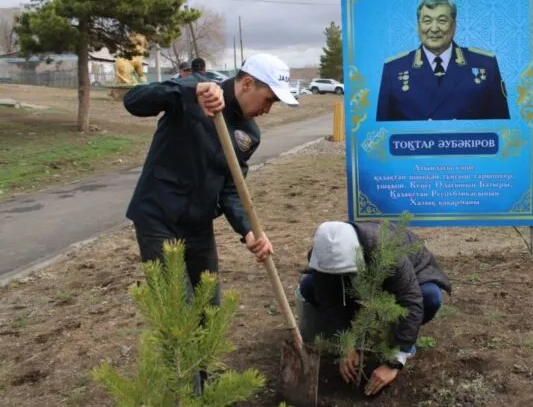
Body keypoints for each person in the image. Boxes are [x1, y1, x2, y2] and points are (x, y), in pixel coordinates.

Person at [123, 53, 298, 310]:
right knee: (178, 309)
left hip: (198, 225)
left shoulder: (249, 134)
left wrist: (248, 230)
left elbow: (231, 189)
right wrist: (191, 92)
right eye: (269, 99)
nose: (267, 110)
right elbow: (133, 100)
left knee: (210, 308)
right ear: (247, 84)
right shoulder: (196, 90)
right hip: (157, 217)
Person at [297, 220, 452, 396]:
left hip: (409, 276)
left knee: (430, 296)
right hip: (359, 282)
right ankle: (363, 328)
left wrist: (395, 361)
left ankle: (401, 340)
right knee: (309, 285)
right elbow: (329, 301)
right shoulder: (322, 253)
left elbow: (411, 299)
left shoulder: (385, 249)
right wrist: (346, 343)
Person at [376, 0, 510, 122]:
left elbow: (501, 128)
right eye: (427, 21)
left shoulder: (485, 64)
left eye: (442, 20)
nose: (434, 29)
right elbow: (383, 131)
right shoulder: (394, 69)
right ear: (418, 26)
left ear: (454, 25)